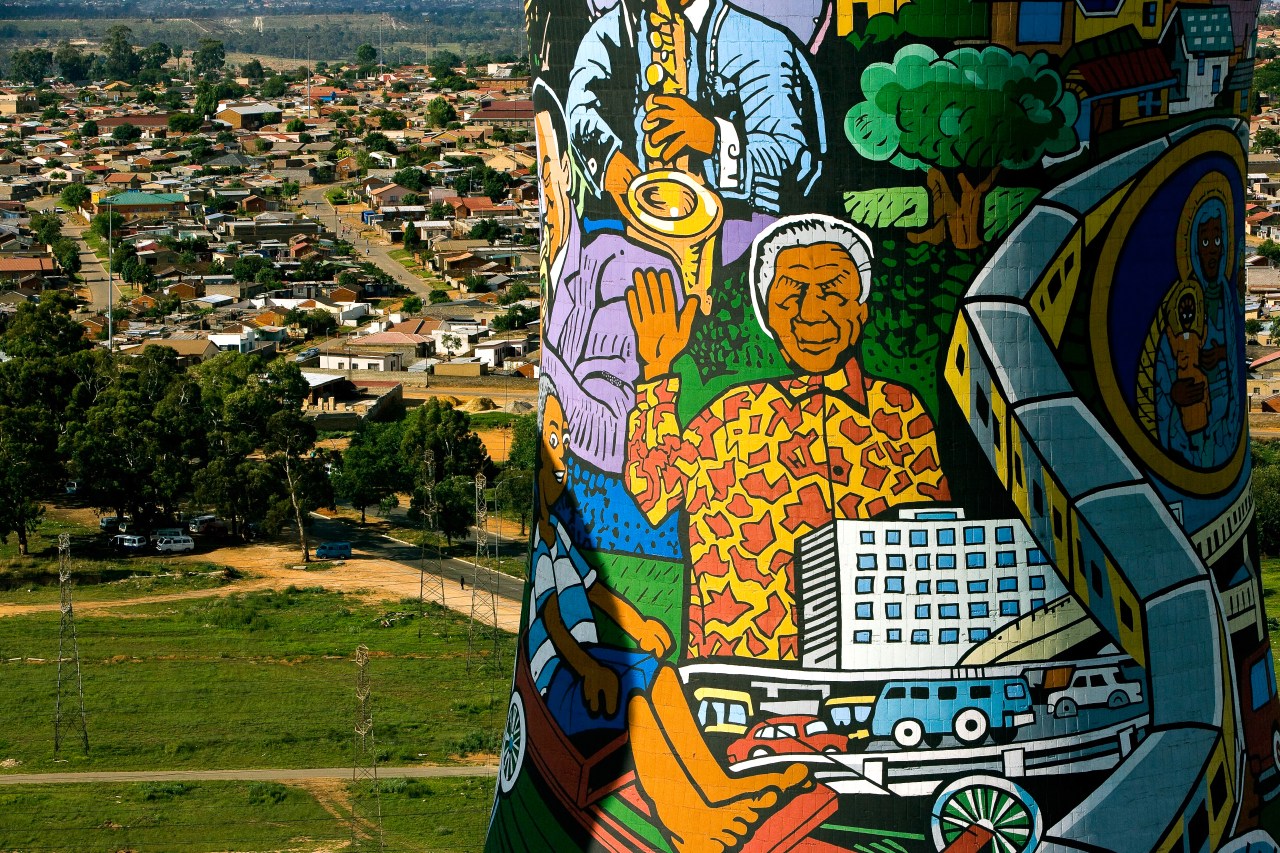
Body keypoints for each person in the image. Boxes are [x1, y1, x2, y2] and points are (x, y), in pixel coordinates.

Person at [626, 215, 949, 660]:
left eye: (833, 292)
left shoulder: (899, 415)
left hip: (876, 673)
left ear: (861, 309)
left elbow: (935, 544)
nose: (812, 312)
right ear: (768, 313)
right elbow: (653, 494)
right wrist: (657, 373)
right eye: (792, 292)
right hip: (742, 675)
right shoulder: (730, 414)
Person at [527, 374, 809, 853]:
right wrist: (590, 667)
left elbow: (596, 591)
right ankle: (682, 820)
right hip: (559, 677)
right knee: (636, 701)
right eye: (552, 440)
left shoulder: (565, 537)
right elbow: (552, 621)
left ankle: (718, 787)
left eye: (565, 439)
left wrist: (639, 626)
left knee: (664, 678)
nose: (563, 457)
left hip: (591, 658)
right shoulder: (545, 546)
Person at [566, 0, 825, 222]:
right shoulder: (613, 30)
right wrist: (608, 161)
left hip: (741, 237)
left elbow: (791, 156)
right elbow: (578, 107)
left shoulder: (762, 41)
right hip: (636, 239)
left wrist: (713, 138)